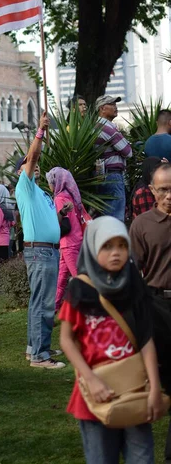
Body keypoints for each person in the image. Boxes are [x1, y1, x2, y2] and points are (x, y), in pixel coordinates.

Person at [59, 217, 163, 464]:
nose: (116, 253)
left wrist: (155, 388)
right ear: (93, 247)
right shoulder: (80, 288)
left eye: (121, 245)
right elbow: (66, 340)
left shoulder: (134, 284)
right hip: (95, 395)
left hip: (134, 389)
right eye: (107, 246)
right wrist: (90, 379)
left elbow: (146, 338)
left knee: (142, 457)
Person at [15, 111, 65, 369]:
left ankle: (35, 348)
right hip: (41, 252)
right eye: (30, 164)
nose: (35, 165)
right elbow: (33, 155)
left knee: (40, 302)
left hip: (48, 251)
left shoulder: (39, 192)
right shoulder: (24, 185)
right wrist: (40, 132)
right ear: (22, 170)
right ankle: (41, 357)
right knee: (43, 303)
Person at [130, 161, 171, 461]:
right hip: (156, 305)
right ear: (153, 191)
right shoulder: (142, 225)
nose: (169, 195)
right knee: (156, 377)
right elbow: (132, 273)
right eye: (163, 190)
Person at [46, 167, 84, 312]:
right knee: (61, 278)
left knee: (77, 278)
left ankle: (86, 310)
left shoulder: (59, 198)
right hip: (74, 240)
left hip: (68, 244)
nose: (49, 185)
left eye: (50, 182)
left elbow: (60, 223)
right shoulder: (72, 196)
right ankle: (54, 307)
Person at [95, 95, 132, 221]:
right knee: (115, 219)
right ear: (102, 108)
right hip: (112, 176)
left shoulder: (96, 126)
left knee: (106, 218)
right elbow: (128, 151)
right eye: (112, 104)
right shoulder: (106, 127)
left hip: (102, 175)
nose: (115, 107)